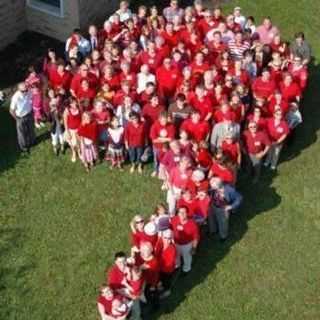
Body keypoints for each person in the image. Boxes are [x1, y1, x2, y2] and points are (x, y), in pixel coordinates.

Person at [171, 206, 199, 274]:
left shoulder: (192, 224)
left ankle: (186, 269)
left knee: (187, 258)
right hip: (176, 243)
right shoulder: (174, 220)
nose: (182, 214)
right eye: (180, 212)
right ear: (178, 213)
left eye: (184, 212)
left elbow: (195, 237)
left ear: (187, 213)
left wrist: (194, 248)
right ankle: (177, 266)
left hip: (186, 245)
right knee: (176, 256)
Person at [10, 82, 36, 153]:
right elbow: (11, 110)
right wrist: (17, 119)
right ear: (19, 90)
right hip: (20, 117)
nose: (25, 92)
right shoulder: (16, 97)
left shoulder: (29, 92)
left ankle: (32, 141)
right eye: (23, 91)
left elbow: (33, 96)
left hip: (29, 114)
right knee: (22, 133)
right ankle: (24, 146)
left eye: (26, 90)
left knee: (31, 129)